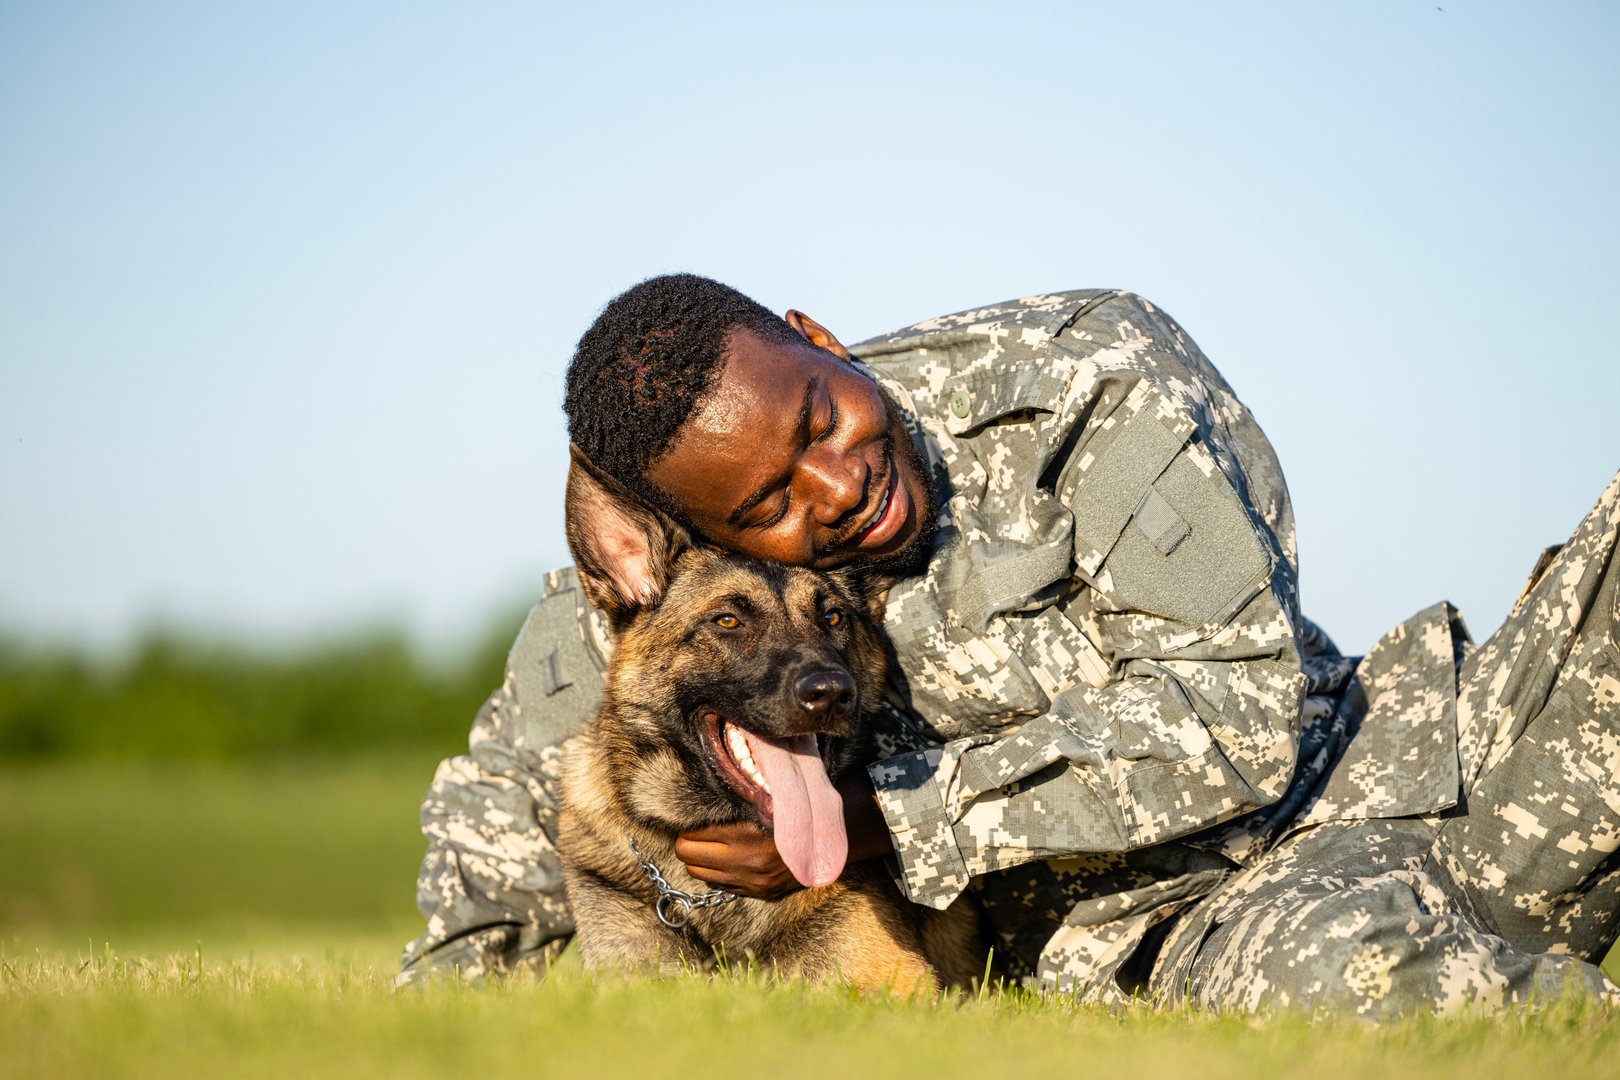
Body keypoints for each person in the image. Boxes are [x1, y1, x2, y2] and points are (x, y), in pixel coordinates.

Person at [400, 274, 1620, 1016]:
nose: (836, 484)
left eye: (821, 417)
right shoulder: (676, 596)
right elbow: (519, 787)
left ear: (817, 336)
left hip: (1438, 768)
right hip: (1221, 910)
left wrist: (896, 819)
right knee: (1354, 986)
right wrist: (441, 1005)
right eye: (769, 504)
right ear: (697, 532)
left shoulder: (1085, 376)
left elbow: (1243, 712)